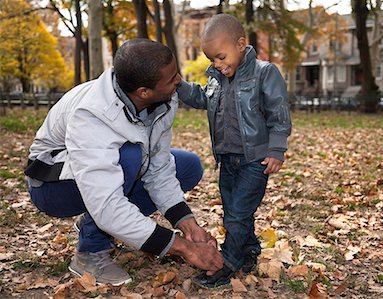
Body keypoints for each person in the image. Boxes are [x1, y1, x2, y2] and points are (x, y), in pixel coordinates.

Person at [25, 39, 223, 286]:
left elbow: (158, 166)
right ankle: (91, 252)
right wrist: (184, 248)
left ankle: (93, 222)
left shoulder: (163, 97)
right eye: (171, 78)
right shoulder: (92, 115)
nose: (179, 81)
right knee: (129, 157)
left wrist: (187, 224)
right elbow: (108, 203)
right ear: (144, 92)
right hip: (50, 186)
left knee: (187, 166)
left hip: (97, 175)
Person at [177, 14, 292, 288]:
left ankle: (226, 262)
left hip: (255, 160)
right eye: (211, 60)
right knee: (233, 209)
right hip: (227, 160)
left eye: (220, 57)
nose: (217, 64)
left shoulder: (264, 73)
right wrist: (180, 86)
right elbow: (200, 97)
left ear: (241, 44)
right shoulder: (216, 79)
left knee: (238, 213)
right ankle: (249, 250)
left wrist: (276, 150)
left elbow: (279, 113)